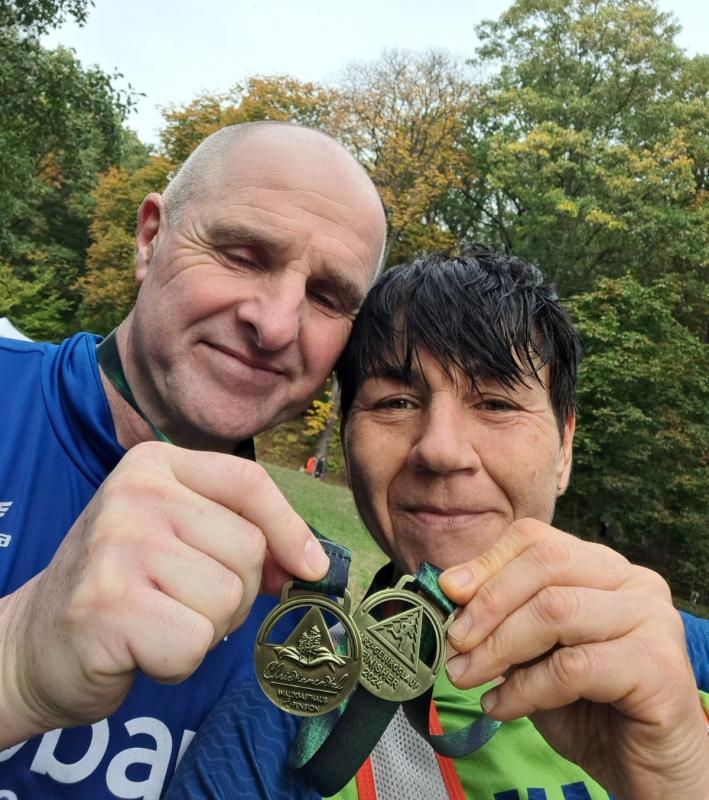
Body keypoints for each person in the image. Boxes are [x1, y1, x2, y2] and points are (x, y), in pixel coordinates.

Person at [166, 251, 709, 799]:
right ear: (348, 439)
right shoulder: (279, 721)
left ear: (565, 447)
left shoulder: (684, 663)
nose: (441, 450)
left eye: (496, 403)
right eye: (396, 402)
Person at [0, 121, 386, 798]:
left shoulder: (303, 616)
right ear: (150, 238)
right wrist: (15, 664)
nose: (275, 325)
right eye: (242, 255)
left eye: (327, 298)